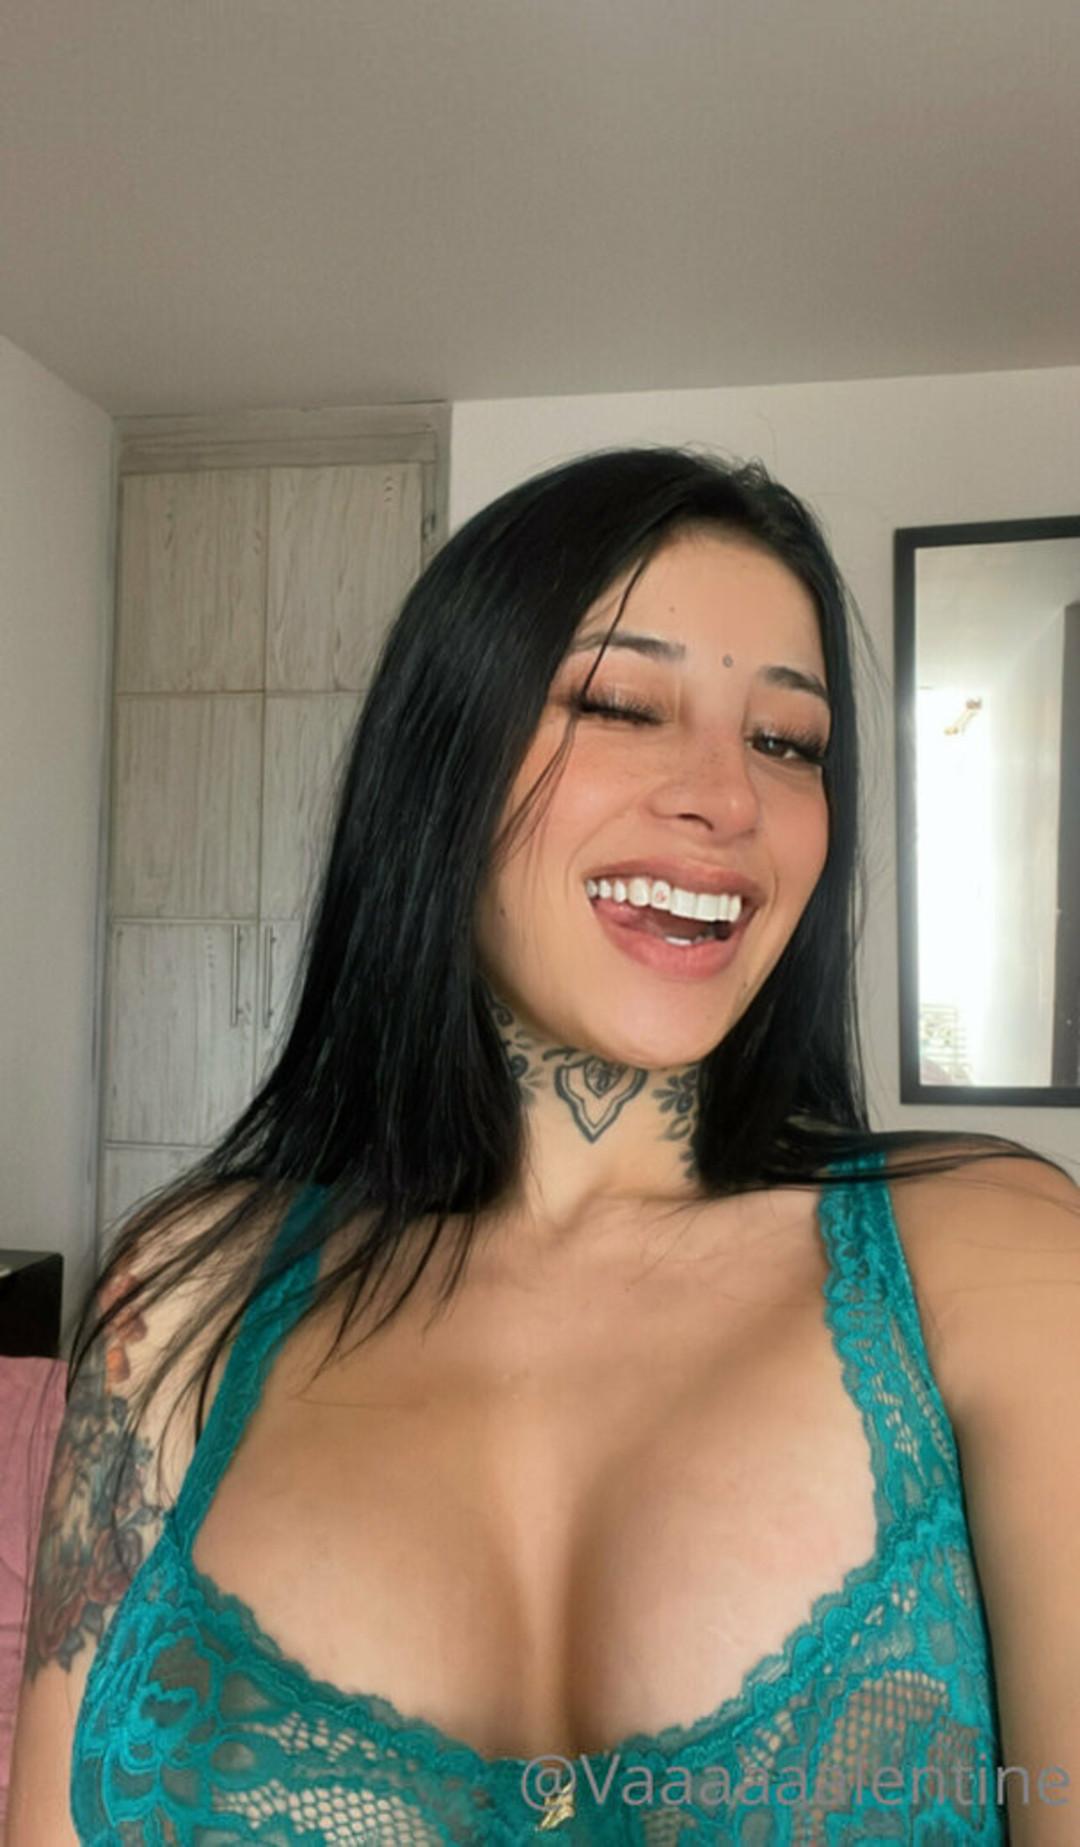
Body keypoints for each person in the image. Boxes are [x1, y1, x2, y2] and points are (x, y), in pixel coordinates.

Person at [7, 446, 1079, 1844]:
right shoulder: (181, 1297)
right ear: (440, 758)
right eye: (622, 704)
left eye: (787, 742)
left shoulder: (996, 1260)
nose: (730, 800)